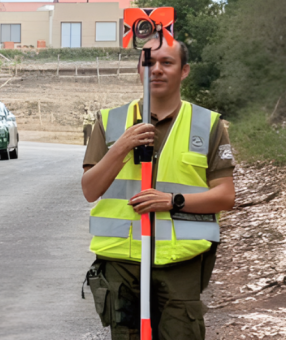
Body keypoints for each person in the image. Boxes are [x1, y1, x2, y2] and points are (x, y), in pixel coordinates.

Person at [81, 37, 236, 339]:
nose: (157, 70)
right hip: (121, 263)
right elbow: (90, 189)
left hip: (181, 263)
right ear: (139, 69)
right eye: (149, 62)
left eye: (167, 62)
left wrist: (172, 200)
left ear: (184, 70)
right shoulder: (110, 121)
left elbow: (225, 196)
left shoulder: (208, 125)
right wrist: (121, 146)